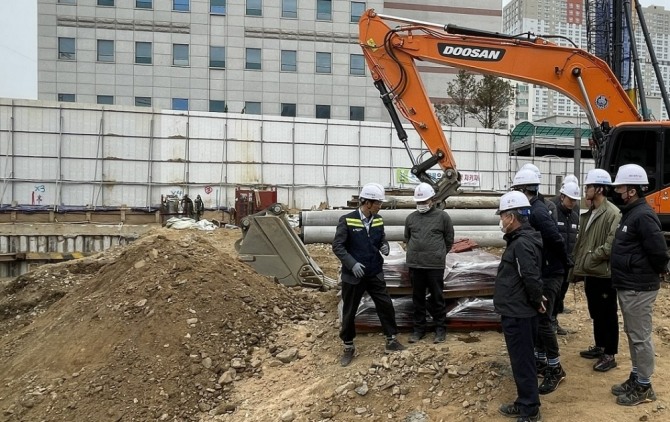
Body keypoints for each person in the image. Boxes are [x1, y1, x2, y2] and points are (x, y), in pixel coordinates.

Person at [610, 164, 669, 406]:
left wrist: (644, 273)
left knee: (640, 337)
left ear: (632, 190)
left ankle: (645, 387)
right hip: (630, 284)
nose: (618, 191)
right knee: (633, 334)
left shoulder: (642, 215)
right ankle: (637, 376)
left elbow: (659, 252)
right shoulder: (632, 212)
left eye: (621, 187)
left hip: (639, 287)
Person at [332, 183, 406, 367]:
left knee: (385, 305)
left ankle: (391, 339)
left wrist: (385, 245)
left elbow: (381, 238)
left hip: (374, 272)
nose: (380, 206)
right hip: (354, 275)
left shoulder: (378, 220)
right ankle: (348, 346)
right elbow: (338, 246)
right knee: (350, 310)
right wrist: (352, 263)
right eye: (378, 203)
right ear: (367, 202)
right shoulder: (347, 220)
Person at [511, 168, 568, 395]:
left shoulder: (538, 212)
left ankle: (556, 368)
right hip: (546, 271)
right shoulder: (532, 209)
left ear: (527, 190)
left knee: (544, 320)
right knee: (538, 318)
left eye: (517, 190)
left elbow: (555, 238)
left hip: (550, 273)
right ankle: (542, 360)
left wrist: (561, 263)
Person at [494, 191, 545, 422]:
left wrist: (537, 301)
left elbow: (530, 277)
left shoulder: (522, 244)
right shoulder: (520, 240)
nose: (501, 220)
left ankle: (530, 410)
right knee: (520, 361)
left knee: (523, 362)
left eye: (502, 215)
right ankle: (524, 401)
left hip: (520, 313)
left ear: (512, 217)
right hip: (516, 310)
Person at [570, 169, 621, 372]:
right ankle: (600, 346)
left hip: (604, 274)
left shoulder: (613, 214)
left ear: (599, 189)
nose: (585, 190)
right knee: (596, 312)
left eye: (588, 187)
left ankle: (610, 354)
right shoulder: (589, 213)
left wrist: (589, 258)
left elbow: (610, 246)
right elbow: (582, 241)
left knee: (608, 314)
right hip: (591, 272)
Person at [404, 182, 454, 344]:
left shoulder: (442, 217)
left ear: (432, 200)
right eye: (419, 202)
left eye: (424, 202)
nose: (421, 205)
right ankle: (419, 329)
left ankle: (440, 329)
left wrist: (438, 254)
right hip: (415, 265)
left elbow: (449, 239)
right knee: (418, 299)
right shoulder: (411, 218)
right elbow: (407, 238)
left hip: (434, 265)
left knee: (437, 297)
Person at [551, 181, 581, 336]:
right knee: (552, 295)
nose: (572, 203)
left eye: (575, 200)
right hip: (555, 264)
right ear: (562, 197)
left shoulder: (575, 217)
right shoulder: (553, 213)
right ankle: (549, 323)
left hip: (568, 266)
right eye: (570, 199)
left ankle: (554, 321)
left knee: (561, 295)